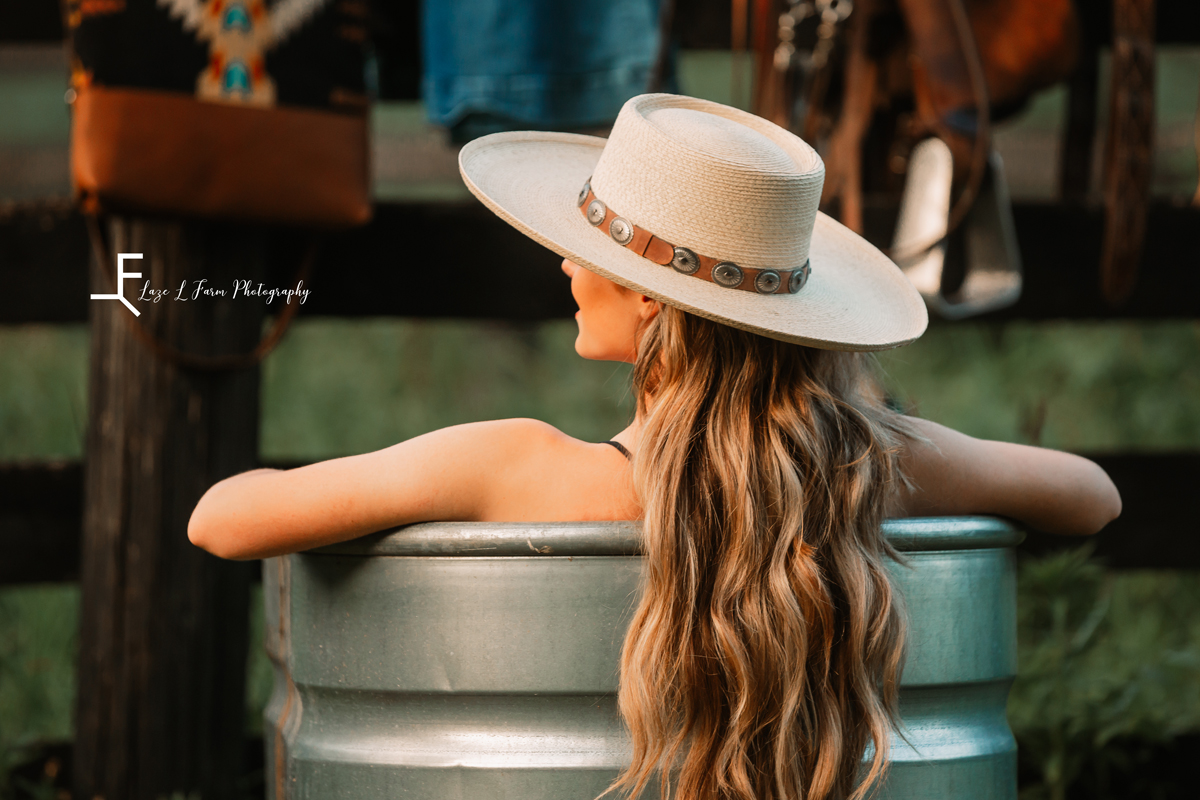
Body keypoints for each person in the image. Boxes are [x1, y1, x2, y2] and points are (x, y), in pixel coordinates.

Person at [188, 94, 1120, 800]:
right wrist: (901, 445)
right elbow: (1090, 496)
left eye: (584, 242)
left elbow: (220, 520)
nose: (561, 260)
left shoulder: (513, 467)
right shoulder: (875, 463)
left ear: (648, 298)